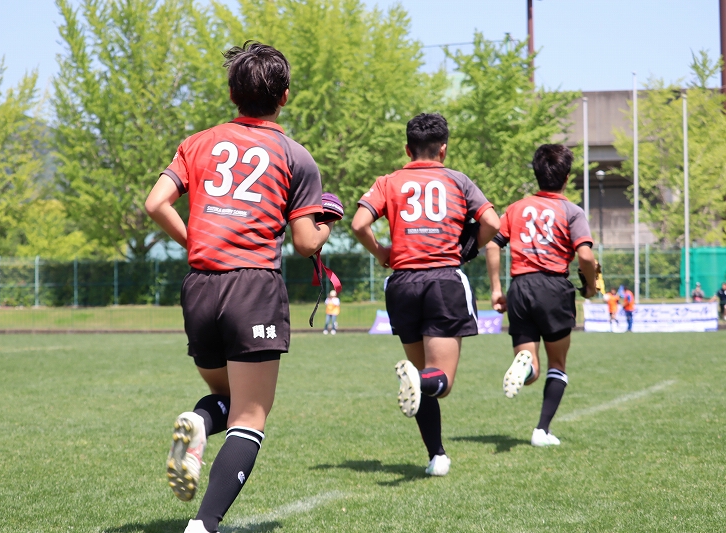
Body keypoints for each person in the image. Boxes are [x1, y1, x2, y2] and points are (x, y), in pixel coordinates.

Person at [144, 42, 335, 533]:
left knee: (225, 399)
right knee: (251, 416)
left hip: (199, 286)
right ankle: (203, 525)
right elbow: (304, 242)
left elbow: (155, 203)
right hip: (252, 286)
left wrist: (197, 241)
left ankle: (200, 422)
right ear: (285, 96)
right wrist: (326, 222)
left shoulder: (198, 143)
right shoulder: (296, 155)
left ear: (232, 93)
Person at [351, 113, 500, 475]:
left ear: (408, 149)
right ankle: (424, 398)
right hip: (443, 281)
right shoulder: (458, 180)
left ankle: (437, 456)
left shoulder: (389, 181)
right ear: (443, 149)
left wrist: (382, 253)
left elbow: (359, 224)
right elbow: (493, 223)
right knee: (439, 382)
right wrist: (468, 248)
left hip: (402, 284)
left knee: (423, 375)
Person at [485, 144, 597, 447]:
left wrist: (496, 290)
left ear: (536, 174)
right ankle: (541, 431)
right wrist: (590, 284)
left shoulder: (517, 208)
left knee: (531, 368)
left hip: (520, 288)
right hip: (553, 288)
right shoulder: (572, 211)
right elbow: (585, 255)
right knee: (557, 364)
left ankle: (526, 366)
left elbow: (493, 244)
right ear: (567, 177)